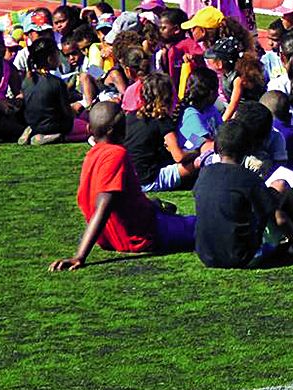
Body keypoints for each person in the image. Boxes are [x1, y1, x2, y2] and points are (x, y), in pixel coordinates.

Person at [50, 101, 198, 270]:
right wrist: (80, 256)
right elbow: (104, 204)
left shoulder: (93, 154)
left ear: (89, 129)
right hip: (139, 236)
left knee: (159, 205)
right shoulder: (116, 154)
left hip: (113, 236)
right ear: (122, 129)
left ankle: (159, 209)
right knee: (203, 225)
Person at [193, 116, 293, 269]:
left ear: (215, 148)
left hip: (206, 256)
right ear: (249, 150)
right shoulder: (249, 179)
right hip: (244, 257)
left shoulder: (204, 174)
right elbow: (279, 218)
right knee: (281, 186)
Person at [18, 40, 77, 145]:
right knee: (86, 127)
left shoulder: (26, 81)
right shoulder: (57, 82)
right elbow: (66, 112)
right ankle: (50, 136)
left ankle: (33, 131)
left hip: (33, 123)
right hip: (54, 126)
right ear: (50, 58)